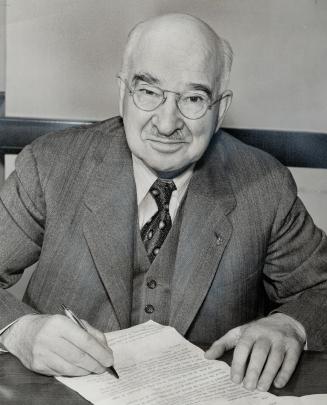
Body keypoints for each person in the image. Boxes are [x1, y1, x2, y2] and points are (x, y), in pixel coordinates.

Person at [0, 13, 326, 393]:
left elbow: (319, 289)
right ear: (122, 93)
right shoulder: (51, 166)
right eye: (149, 91)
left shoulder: (265, 185)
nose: (167, 122)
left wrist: (291, 325)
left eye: (193, 98)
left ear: (220, 110)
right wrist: (17, 330)